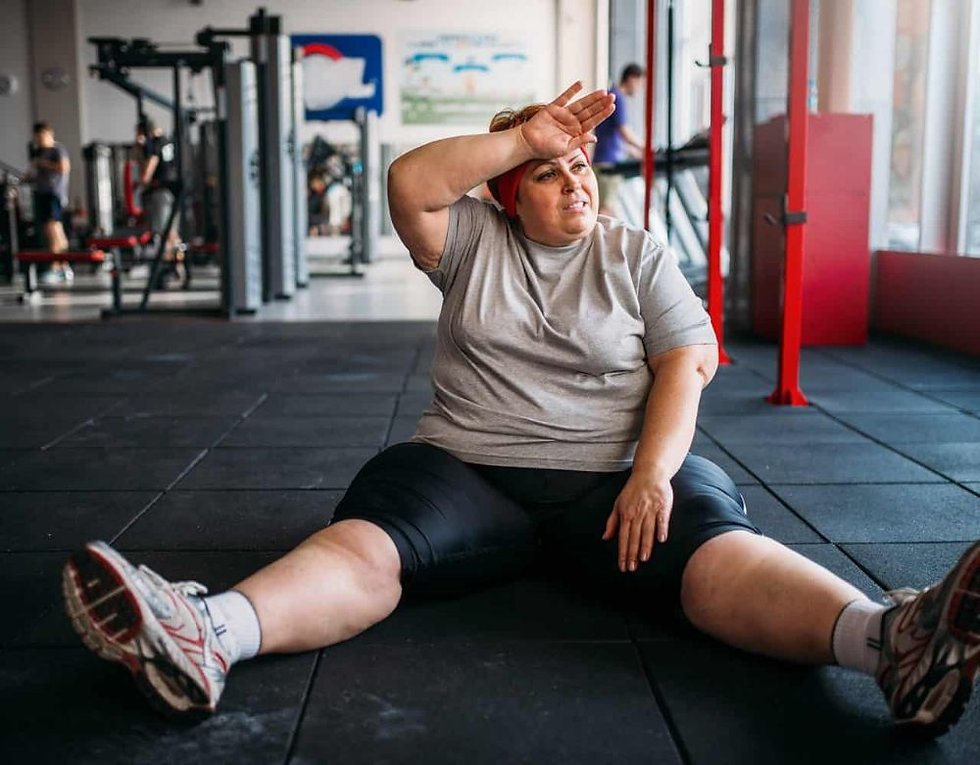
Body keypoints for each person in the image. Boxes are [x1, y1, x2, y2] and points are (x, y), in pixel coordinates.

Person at [62, 82, 980, 737]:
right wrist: (522, 137)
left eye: (581, 167)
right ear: (509, 194)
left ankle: (888, 643)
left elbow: (682, 366)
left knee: (715, 551)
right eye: (551, 172)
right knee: (371, 539)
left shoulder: (636, 253)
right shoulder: (469, 239)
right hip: (469, 471)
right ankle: (207, 634)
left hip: (618, 479)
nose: (577, 180)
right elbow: (409, 182)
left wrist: (654, 474)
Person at [593, 63, 647, 217]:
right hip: (608, 163)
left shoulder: (613, 95)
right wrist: (646, 147)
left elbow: (614, 136)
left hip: (606, 160)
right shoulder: (617, 97)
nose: (640, 88)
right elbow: (625, 133)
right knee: (606, 210)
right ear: (631, 78)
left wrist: (636, 152)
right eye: (640, 83)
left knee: (606, 208)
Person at [136, 117, 183, 285]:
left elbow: (151, 164)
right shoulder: (168, 141)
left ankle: (166, 270)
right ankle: (177, 268)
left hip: (160, 191)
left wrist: (141, 183)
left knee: (163, 233)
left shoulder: (153, 143)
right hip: (173, 191)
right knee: (172, 234)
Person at [28, 122, 72, 283]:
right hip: (43, 193)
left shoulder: (57, 150)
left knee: (54, 229)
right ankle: (63, 266)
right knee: (51, 230)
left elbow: (64, 168)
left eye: (42, 136)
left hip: (54, 194)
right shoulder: (39, 152)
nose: (39, 139)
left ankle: (58, 267)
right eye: (37, 137)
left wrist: (43, 164)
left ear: (49, 134)